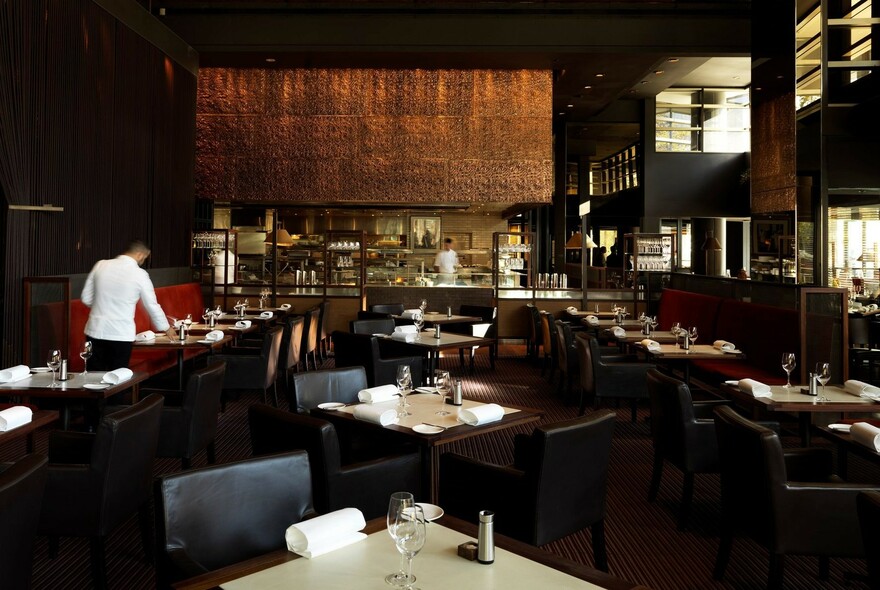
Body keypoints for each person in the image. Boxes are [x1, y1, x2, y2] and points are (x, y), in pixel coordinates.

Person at [81, 240, 177, 370]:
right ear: (139, 254)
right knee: (116, 380)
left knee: (93, 377)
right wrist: (166, 328)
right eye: (144, 257)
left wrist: (103, 305)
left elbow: (86, 297)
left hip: (95, 330)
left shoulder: (100, 265)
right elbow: (152, 305)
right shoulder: (140, 274)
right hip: (120, 333)